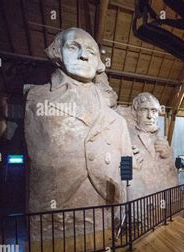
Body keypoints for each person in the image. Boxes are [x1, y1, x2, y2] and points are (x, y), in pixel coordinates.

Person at [24, 27, 133, 213]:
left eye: (91, 51)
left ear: (99, 62)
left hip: (105, 197)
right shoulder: (37, 97)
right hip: (55, 203)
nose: (84, 56)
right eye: (74, 47)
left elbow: (126, 160)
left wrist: (124, 197)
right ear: (57, 52)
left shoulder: (116, 117)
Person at [117, 92, 178, 199]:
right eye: (144, 110)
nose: (150, 116)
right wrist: (128, 163)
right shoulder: (125, 136)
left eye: (154, 111)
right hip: (138, 201)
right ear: (135, 112)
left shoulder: (162, 140)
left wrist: (168, 157)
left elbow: (173, 182)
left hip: (161, 202)